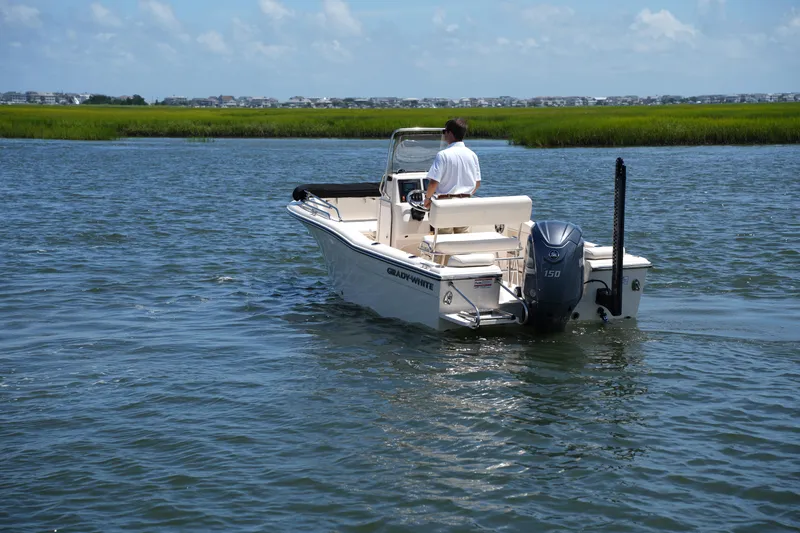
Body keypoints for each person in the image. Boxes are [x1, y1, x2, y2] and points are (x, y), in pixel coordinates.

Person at [424, 118, 481, 233]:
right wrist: (465, 194)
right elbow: (477, 183)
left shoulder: (443, 155)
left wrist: (427, 199)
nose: (444, 134)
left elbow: (434, 183)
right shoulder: (472, 155)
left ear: (450, 133)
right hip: (466, 203)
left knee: (444, 238)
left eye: (445, 131)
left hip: (446, 204)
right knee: (462, 239)